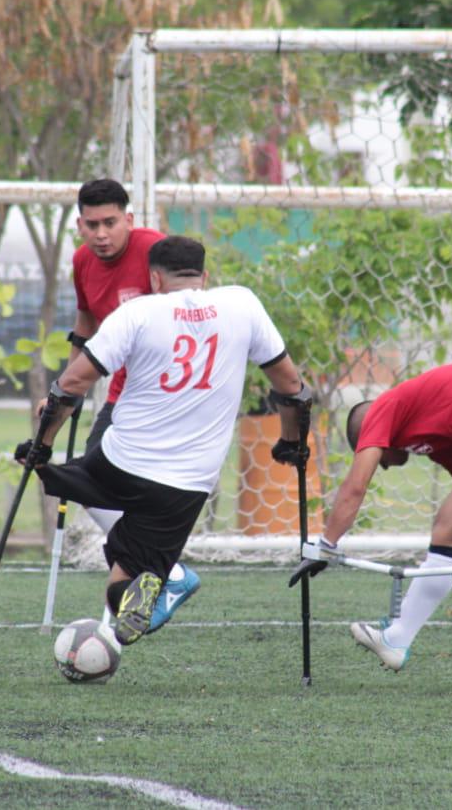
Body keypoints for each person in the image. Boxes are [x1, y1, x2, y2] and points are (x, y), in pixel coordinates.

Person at [17, 236, 309, 646]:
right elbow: (293, 386)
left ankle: (155, 576)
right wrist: (290, 442)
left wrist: (41, 444)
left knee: (67, 476)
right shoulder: (242, 304)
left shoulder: (136, 312)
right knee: (124, 582)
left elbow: (72, 384)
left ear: (155, 279)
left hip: (119, 464)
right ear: (205, 276)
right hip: (185, 486)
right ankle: (160, 579)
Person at [292, 363, 452, 671]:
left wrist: (326, 545)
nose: (384, 466)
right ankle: (396, 640)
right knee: (450, 531)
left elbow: (354, 487)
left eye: (375, 454)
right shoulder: (438, 438)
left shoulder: (381, 410)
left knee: (449, 520)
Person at [63, 179, 202, 619]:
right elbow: (86, 320)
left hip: (166, 395)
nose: (101, 234)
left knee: (108, 479)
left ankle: (162, 568)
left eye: (109, 223)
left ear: (129, 219)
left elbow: (195, 316)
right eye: (91, 224)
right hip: (122, 392)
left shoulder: (156, 253)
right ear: (80, 224)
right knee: (88, 480)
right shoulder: (82, 261)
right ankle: (168, 571)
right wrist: (68, 383)